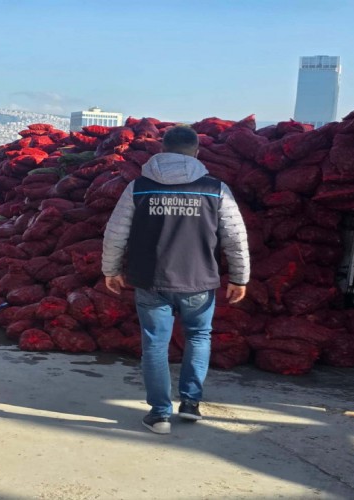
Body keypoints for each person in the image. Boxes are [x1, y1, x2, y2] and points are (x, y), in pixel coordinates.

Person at [102, 125, 250, 435]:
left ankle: (159, 415)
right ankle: (191, 403)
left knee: (155, 345)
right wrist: (240, 277)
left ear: (162, 150)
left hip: (151, 281)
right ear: (197, 152)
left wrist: (111, 271)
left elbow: (115, 233)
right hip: (199, 280)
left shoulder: (139, 187)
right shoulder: (215, 189)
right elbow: (235, 237)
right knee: (198, 337)